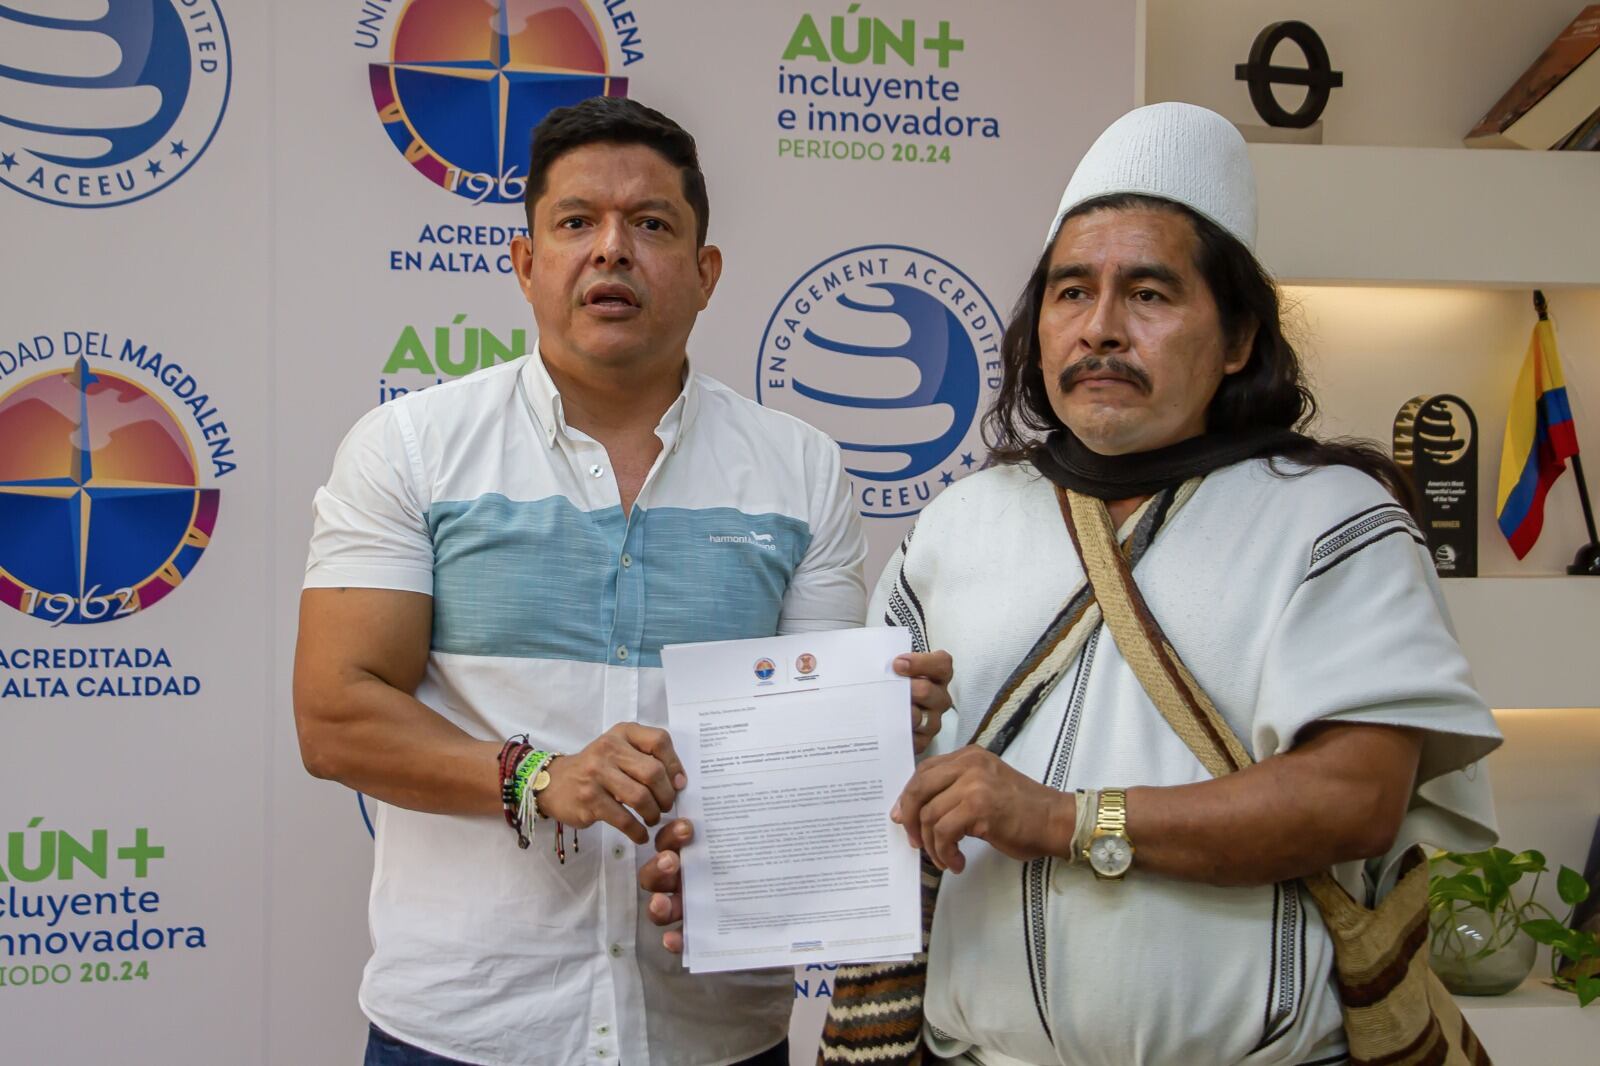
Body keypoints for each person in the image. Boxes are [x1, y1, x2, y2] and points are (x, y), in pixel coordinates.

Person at [645, 103, 1503, 1065]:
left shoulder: (1332, 519)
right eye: (1070, 293)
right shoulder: (959, 523)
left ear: (1238, 338)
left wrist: (1064, 820)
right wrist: (738, 871)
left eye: (1149, 293)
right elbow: (876, 791)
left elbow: (1356, 798)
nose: (1101, 329)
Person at [293, 96, 952, 1066]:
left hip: (711, 1028)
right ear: (525, 263)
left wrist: (874, 727)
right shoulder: (410, 450)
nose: (611, 249)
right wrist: (538, 776)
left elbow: (801, 745)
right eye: (576, 222)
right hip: (467, 1026)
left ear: (705, 272)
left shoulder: (799, 470)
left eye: (650, 223)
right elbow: (336, 716)